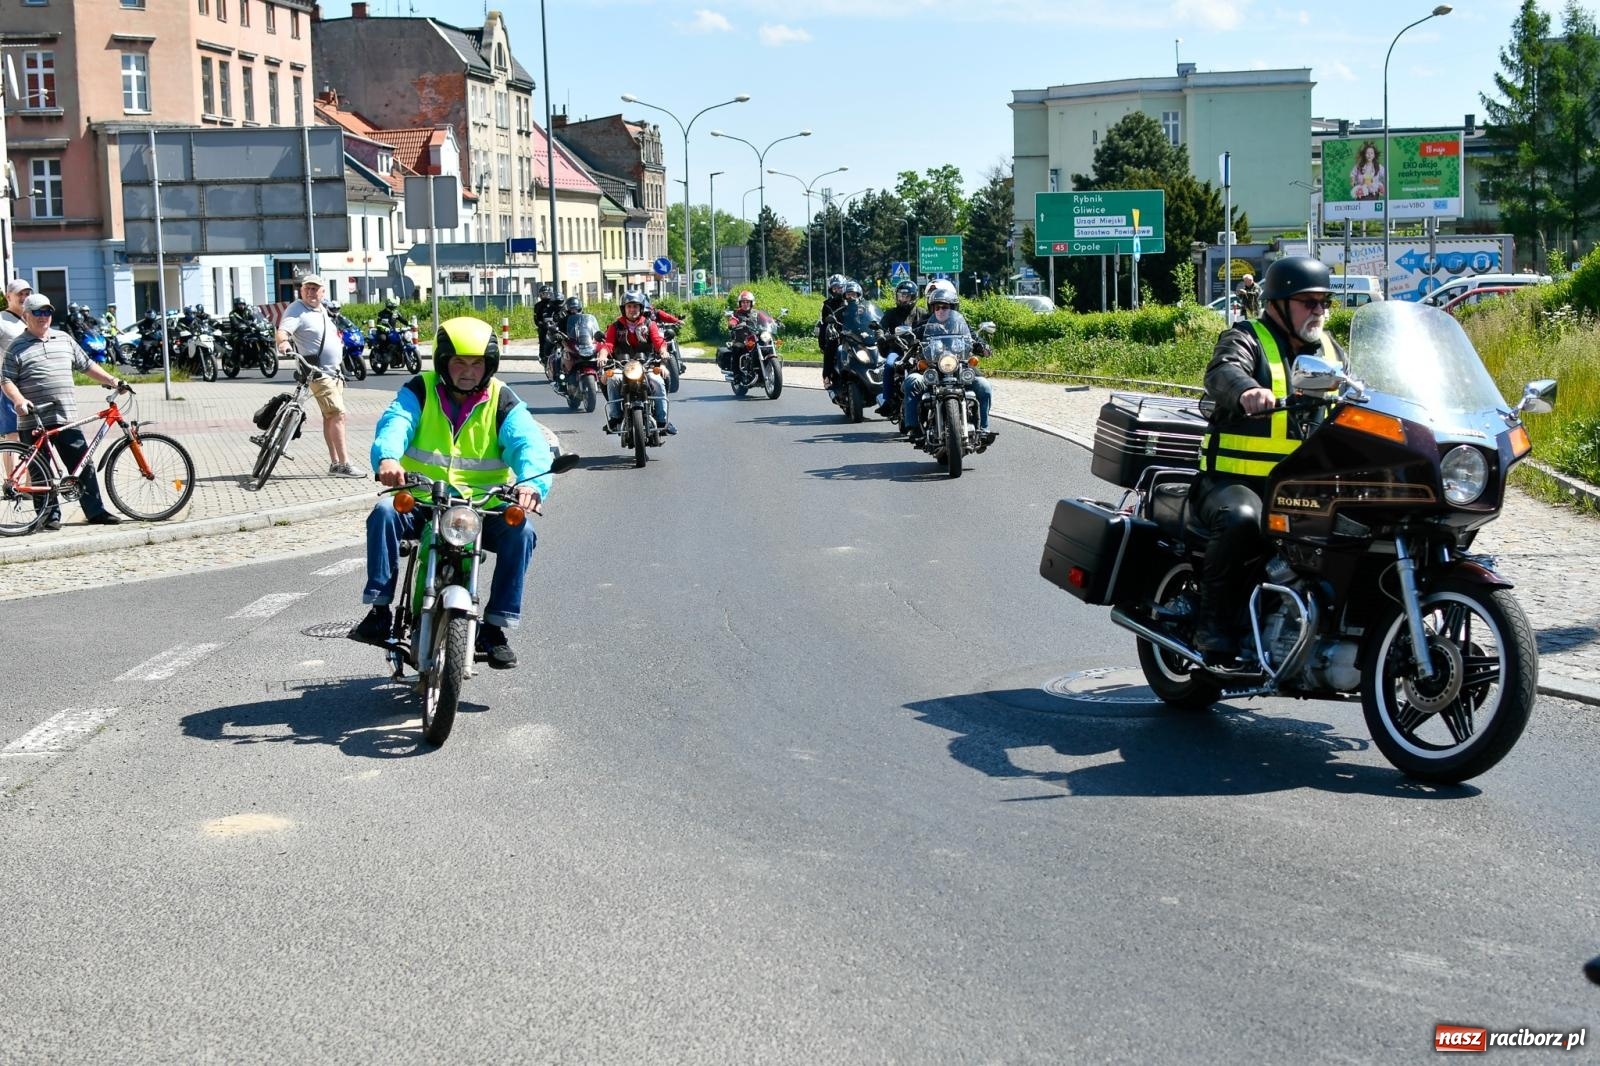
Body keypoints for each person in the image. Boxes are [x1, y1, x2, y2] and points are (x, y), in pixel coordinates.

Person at [349, 317, 552, 669]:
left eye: (477, 363)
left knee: (522, 532)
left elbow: (528, 443)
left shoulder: (502, 400)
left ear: (489, 365)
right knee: (384, 512)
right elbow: (396, 422)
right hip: (423, 498)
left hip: (481, 506)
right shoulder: (420, 389)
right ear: (443, 361)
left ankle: (495, 628)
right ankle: (379, 610)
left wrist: (532, 483)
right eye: (459, 362)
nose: (468, 372)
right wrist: (388, 458)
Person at [1192, 255, 1347, 664]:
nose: (1319, 311)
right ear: (1277, 304)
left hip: (1302, 487)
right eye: (1308, 302)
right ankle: (1214, 629)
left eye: (1324, 302)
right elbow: (1223, 369)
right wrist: (1246, 390)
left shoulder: (1332, 351)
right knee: (1242, 520)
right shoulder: (1246, 337)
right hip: (1233, 483)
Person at [0, 293, 129, 529]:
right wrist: (19, 400)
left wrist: (113, 380)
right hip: (33, 419)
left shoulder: (64, 339)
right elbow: (6, 379)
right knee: (40, 471)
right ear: (26, 315)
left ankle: (96, 512)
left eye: (47, 311)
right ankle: (49, 517)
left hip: (65, 417)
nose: (43, 316)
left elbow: (86, 365)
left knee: (82, 464)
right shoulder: (17, 346)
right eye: (37, 312)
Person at [276, 275, 364, 478]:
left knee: (329, 417)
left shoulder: (321, 309)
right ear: (301, 291)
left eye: (315, 289)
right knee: (338, 415)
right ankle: (344, 464)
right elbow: (283, 331)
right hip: (317, 372)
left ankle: (335, 463)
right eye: (307, 288)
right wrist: (284, 343)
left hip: (334, 373)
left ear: (323, 292)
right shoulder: (297, 309)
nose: (310, 292)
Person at [902, 280, 995, 446]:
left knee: (984, 386)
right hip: (931, 370)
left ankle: (984, 430)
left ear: (952, 308)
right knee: (911, 381)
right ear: (932, 308)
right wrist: (909, 339)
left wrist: (983, 346)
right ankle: (914, 429)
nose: (940, 310)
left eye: (944, 307)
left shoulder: (961, 324)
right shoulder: (924, 324)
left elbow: (974, 337)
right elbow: (911, 335)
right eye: (936, 307)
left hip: (960, 369)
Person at [596, 291, 674, 435]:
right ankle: (615, 418)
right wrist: (603, 355)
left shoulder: (649, 324)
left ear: (641, 308)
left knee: (658, 380)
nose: (632, 310)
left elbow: (658, 341)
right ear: (624, 308)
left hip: (647, 365)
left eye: (635, 306)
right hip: (622, 366)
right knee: (612, 379)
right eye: (629, 306)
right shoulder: (615, 326)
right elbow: (608, 344)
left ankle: (662, 421)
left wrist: (663, 351)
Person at [876, 279, 924, 418]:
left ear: (913, 297)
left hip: (917, 350)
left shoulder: (922, 313)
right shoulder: (891, 313)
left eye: (906, 296)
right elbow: (881, 327)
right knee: (889, 365)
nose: (903, 299)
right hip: (897, 349)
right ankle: (887, 400)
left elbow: (932, 326)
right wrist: (881, 336)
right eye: (901, 296)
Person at [0, 280, 31, 455]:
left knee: (31, 435)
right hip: (8, 386)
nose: (24, 297)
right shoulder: (1, 320)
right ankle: (11, 473)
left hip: (30, 384)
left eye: (27, 293)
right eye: (20, 294)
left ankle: (32, 473)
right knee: (12, 435)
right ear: (8, 297)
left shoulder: (31, 318)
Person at [718, 290, 772, 380]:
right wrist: (732, 324)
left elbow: (767, 319)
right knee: (737, 348)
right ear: (740, 303)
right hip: (742, 340)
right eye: (743, 302)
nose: (745, 304)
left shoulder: (756, 313)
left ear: (751, 303)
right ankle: (737, 375)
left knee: (767, 346)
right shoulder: (737, 313)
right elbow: (733, 320)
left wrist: (774, 322)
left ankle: (768, 368)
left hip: (755, 339)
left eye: (747, 302)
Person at [817, 274, 848, 389]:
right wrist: (821, 343)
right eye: (834, 288)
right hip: (835, 333)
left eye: (839, 288)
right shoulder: (827, 304)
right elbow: (823, 324)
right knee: (830, 346)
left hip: (851, 331)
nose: (837, 290)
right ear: (831, 289)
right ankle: (827, 376)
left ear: (844, 288)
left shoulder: (850, 302)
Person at [533, 286, 564, 369]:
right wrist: (541, 324)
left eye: (546, 294)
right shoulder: (538, 305)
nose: (544, 296)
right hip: (545, 326)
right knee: (542, 336)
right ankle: (543, 355)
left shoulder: (554, 303)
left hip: (557, 325)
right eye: (542, 294)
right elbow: (536, 318)